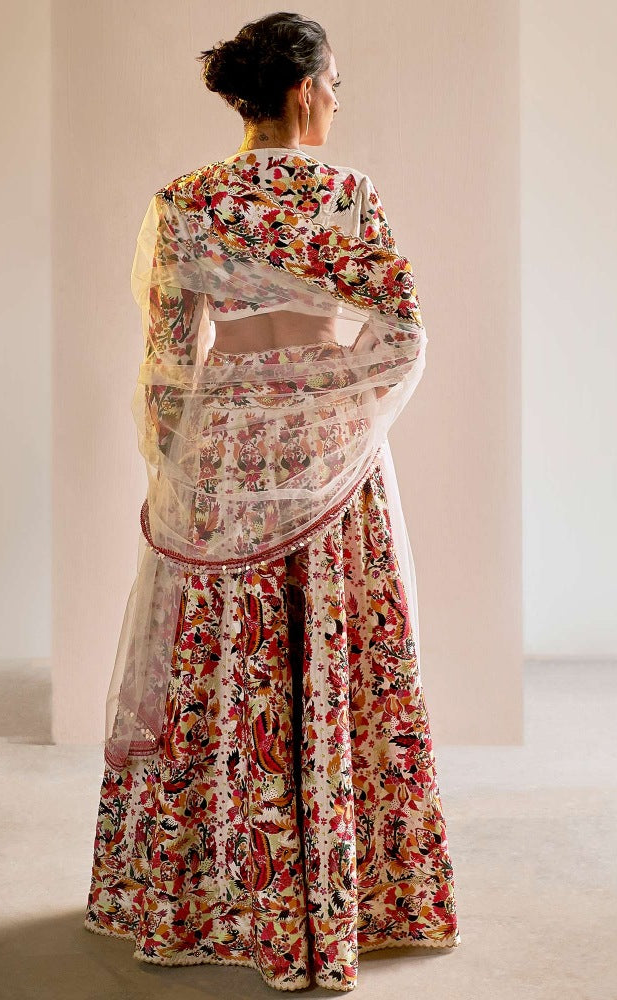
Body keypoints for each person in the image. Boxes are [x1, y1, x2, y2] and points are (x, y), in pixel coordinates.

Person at [84, 12, 460, 993]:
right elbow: (403, 335)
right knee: (335, 656)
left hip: (225, 450)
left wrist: (176, 466)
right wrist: (338, 410)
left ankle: (210, 898)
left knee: (224, 669)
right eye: (334, 83)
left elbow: (168, 362)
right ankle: (338, 901)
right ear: (303, 90)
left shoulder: (186, 201)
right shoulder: (346, 196)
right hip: (329, 460)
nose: (336, 100)